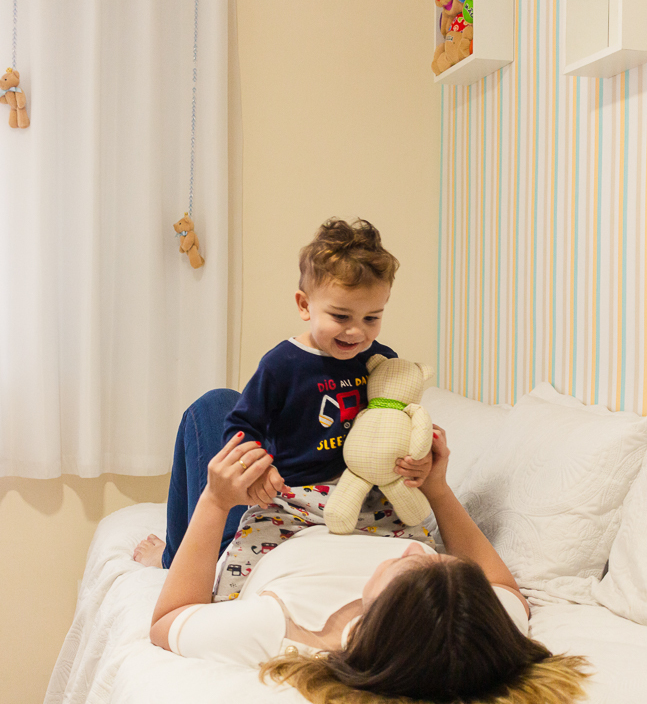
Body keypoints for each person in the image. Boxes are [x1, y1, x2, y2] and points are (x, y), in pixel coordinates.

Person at [146, 425, 589, 704]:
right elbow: (504, 588)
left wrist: (215, 501)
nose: (415, 551)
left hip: (273, 525)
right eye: (439, 558)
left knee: (215, 409)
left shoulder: (279, 626)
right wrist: (436, 488)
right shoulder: (468, 621)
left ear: (373, 622)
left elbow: (169, 619)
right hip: (375, 514)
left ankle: (170, 555)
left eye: (407, 569)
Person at [134, 218, 434, 602]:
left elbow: (397, 423)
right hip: (291, 496)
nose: (357, 332)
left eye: (371, 318)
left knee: (422, 543)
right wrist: (257, 468)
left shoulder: (380, 360)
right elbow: (242, 425)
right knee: (235, 571)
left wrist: (418, 462)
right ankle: (181, 568)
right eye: (341, 317)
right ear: (305, 305)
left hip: (363, 493)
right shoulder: (282, 364)